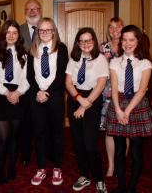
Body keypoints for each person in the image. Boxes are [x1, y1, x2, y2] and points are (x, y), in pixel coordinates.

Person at [105, 25, 152, 193]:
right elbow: (113, 85)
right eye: (124, 40)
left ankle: (132, 187)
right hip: (118, 103)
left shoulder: (145, 63)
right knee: (119, 150)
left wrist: (126, 112)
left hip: (137, 104)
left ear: (138, 41)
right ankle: (121, 187)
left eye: (131, 40)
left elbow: (142, 91)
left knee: (136, 150)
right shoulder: (114, 61)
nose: (127, 43)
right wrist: (119, 110)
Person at [0, 20, 29, 184]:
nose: (11, 35)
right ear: (3, 33)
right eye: (8, 32)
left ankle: (12, 167)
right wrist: (6, 93)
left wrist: (17, 92)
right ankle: (0, 169)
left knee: (14, 137)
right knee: (2, 139)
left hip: (18, 98)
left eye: (14, 33)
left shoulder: (23, 53)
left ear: (18, 35)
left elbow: (27, 79)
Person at [65, 27, 108, 193]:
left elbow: (101, 84)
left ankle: (99, 179)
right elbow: (68, 82)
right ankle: (84, 175)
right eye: (82, 41)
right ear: (77, 43)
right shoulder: (74, 59)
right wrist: (78, 99)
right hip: (75, 98)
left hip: (92, 101)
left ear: (94, 41)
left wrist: (85, 105)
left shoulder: (101, 59)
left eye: (89, 40)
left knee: (90, 145)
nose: (85, 44)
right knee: (78, 143)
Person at [28, 17, 68, 186]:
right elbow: (29, 74)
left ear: (53, 31)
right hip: (36, 96)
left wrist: (48, 93)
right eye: (41, 30)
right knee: (39, 133)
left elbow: (61, 75)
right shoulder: (33, 49)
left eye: (48, 29)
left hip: (55, 96)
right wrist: (38, 92)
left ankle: (57, 168)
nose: (44, 33)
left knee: (57, 133)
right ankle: (42, 168)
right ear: (38, 32)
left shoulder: (61, 48)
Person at [100, 17, 129, 177]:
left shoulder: (129, 45)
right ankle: (111, 165)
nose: (114, 30)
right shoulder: (103, 48)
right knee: (110, 132)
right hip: (107, 95)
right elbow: (98, 71)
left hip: (125, 94)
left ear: (123, 28)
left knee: (125, 131)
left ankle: (120, 164)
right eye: (111, 27)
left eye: (117, 27)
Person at [19, 0, 42, 166]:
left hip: (42, 84)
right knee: (25, 121)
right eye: (29, 9)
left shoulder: (47, 29)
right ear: (25, 12)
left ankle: (44, 150)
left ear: (40, 10)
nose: (32, 12)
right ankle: (26, 152)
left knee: (42, 120)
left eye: (35, 9)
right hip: (23, 84)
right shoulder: (18, 30)